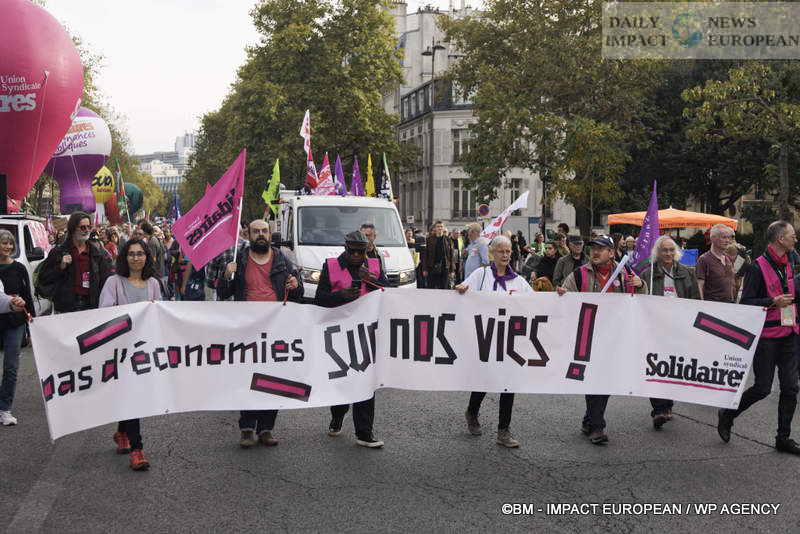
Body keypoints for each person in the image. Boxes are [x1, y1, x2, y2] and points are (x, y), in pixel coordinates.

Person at [217, 219, 303, 448]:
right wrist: (226, 275)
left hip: (276, 329)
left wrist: (296, 285)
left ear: (270, 234)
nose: (261, 235)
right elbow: (222, 293)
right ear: (249, 235)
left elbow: (297, 292)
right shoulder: (239, 259)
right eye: (256, 232)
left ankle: (266, 428)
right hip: (246, 329)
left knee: (273, 379)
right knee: (248, 378)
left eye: (264, 231)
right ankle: (247, 427)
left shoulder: (282, 259)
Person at [718, 221, 800, 455]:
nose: (795, 239)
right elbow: (745, 303)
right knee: (763, 387)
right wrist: (772, 302)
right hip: (767, 337)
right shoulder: (757, 267)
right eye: (792, 236)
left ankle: (783, 437)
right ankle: (728, 413)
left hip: (789, 333)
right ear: (780, 239)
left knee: (791, 388)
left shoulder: (790, 263)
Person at [557, 235, 647, 444]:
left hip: (615, 335)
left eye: (601, 248)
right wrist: (562, 294)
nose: (595, 252)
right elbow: (565, 295)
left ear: (612, 252)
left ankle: (590, 420)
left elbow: (642, 299)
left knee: (606, 380)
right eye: (593, 248)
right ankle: (597, 427)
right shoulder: (579, 274)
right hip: (588, 335)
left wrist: (640, 283)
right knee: (594, 378)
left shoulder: (624, 272)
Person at [457, 235, 533, 447]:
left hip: (509, 341)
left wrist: (559, 296)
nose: (506, 255)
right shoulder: (481, 275)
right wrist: (461, 290)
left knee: (508, 385)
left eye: (508, 251)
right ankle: (472, 412)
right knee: (484, 379)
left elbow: (537, 302)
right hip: (485, 337)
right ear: (493, 252)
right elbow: (461, 291)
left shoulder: (518, 281)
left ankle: (503, 431)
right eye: (501, 251)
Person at [315, 230, 389, 448]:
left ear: (366, 249)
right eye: (352, 251)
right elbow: (319, 299)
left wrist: (372, 280)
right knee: (342, 382)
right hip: (339, 334)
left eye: (361, 251)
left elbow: (389, 292)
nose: (357, 255)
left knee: (366, 382)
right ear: (345, 248)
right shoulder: (330, 266)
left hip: (367, 334)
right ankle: (338, 414)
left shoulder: (374, 266)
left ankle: (364, 432)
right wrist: (341, 296)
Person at [98, 238, 162, 470]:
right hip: (121, 348)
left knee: (134, 394)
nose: (136, 258)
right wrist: (135, 310)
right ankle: (137, 449)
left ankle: (122, 430)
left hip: (144, 348)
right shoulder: (113, 282)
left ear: (147, 257)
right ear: (125, 257)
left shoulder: (153, 283)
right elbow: (105, 314)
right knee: (132, 395)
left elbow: (160, 313)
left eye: (140, 254)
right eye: (131, 254)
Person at [641, 236, 700, 429]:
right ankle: (658, 409)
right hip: (656, 329)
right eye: (664, 250)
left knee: (674, 367)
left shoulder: (686, 273)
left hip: (679, 327)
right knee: (656, 366)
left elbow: (695, 300)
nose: (668, 254)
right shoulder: (648, 274)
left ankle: (668, 405)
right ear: (657, 253)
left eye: (671, 250)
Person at [38, 211, 111, 313]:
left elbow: (105, 282)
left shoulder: (97, 254)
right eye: (82, 227)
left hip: (90, 307)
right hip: (65, 307)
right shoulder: (58, 252)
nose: (87, 230)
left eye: (89, 227)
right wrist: (61, 267)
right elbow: (43, 278)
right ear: (73, 229)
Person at [0, 230, 35, 426]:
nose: (8, 247)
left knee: (11, 367)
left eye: (10, 244)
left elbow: (27, 298)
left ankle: (5, 409)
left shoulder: (20, 268)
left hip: (15, 323)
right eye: (4, 243)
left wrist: (32, 330)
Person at [696, 224, 735, 303]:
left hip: (729, 306)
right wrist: (702, 306)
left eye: (728, 237)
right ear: (713, 238)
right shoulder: (704, 259)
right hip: (712, 307)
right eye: (724, 237)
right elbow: (699, 286)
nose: (727, 240)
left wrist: (733, 302)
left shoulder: (729, 258)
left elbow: (731, 283)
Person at [422, 221, 454, 289]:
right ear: (435, 228)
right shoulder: (429, 240)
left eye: (441, 226)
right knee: (431, 287)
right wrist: (425, 269)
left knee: (444, 287)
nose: (439, 228)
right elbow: (425, 256)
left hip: (445, 267)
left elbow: (451, 256)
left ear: (443, 228)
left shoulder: (448, 240)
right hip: (432, 267)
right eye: (438, 226)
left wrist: (452, 270)